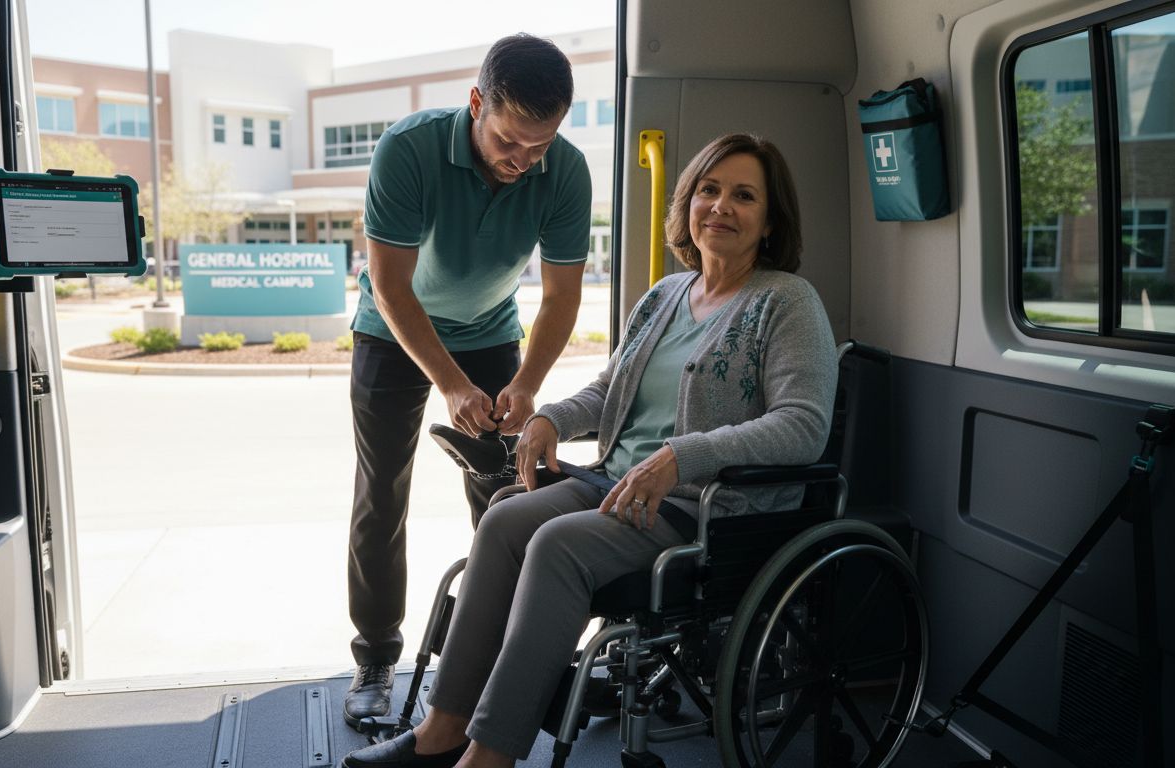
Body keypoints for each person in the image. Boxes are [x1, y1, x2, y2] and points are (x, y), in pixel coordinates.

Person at [340, 133, 839, 768]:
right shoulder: (665, 296)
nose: (720, 206)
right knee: (502, 518)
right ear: (687, 202)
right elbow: (609, 393)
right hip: (615, 483)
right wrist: (550, 417)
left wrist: (683, 456)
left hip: (705, 508)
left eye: (744, 196)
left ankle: (488, 756)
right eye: (709, 190)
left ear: (770, 220)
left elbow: (802, 426)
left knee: (556, 544)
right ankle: (443, 731)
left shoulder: (786, 301)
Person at [344, 34, 592, 726]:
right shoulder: (408, 150)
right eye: (511, 142)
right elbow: (391, 287)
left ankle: (504, 659)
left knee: (506, 498)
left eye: (540, 146)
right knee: (381, 491)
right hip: (392, 332)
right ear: (476, 103)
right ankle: (374, 657)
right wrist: (452, 385)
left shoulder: (564, 171)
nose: (524, 162)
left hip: (490, 333)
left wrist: (528, 382)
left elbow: (562, 297)